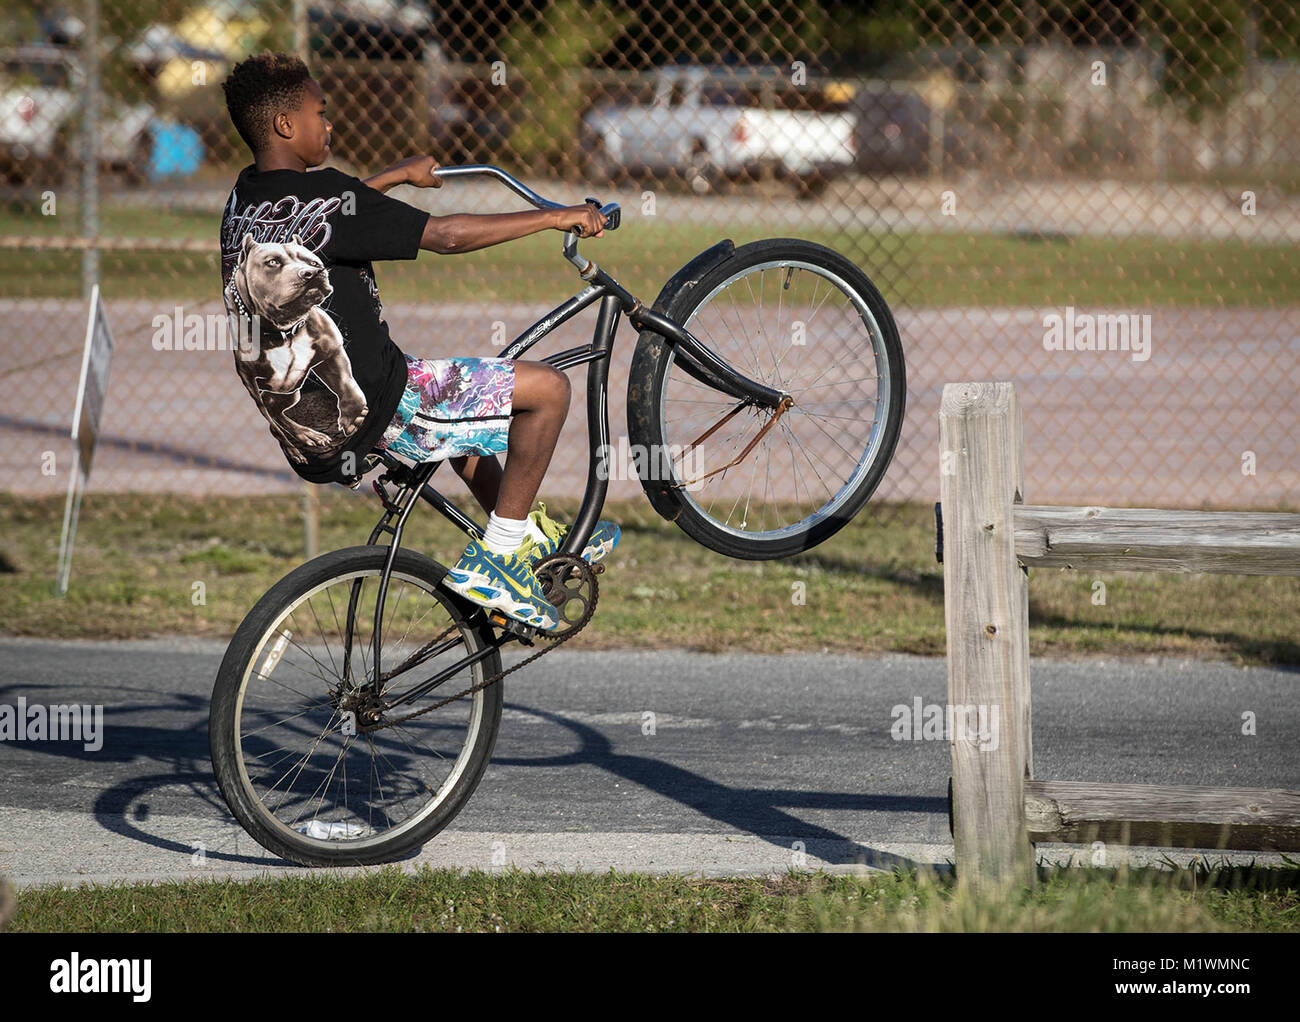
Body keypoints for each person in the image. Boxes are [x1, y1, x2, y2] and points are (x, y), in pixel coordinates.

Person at [218, 52, 619, 631]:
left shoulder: (243, 200)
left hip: (307, 434)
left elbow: (324, 217)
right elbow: (447, 236)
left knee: (462, 428)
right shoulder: (326, 193)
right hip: (378, 406)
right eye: (319, 112)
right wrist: (554, 217)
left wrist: (396, 178)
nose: (328, 125)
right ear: (285, 124)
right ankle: (500, 558)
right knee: (549, 390)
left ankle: (524, 534)